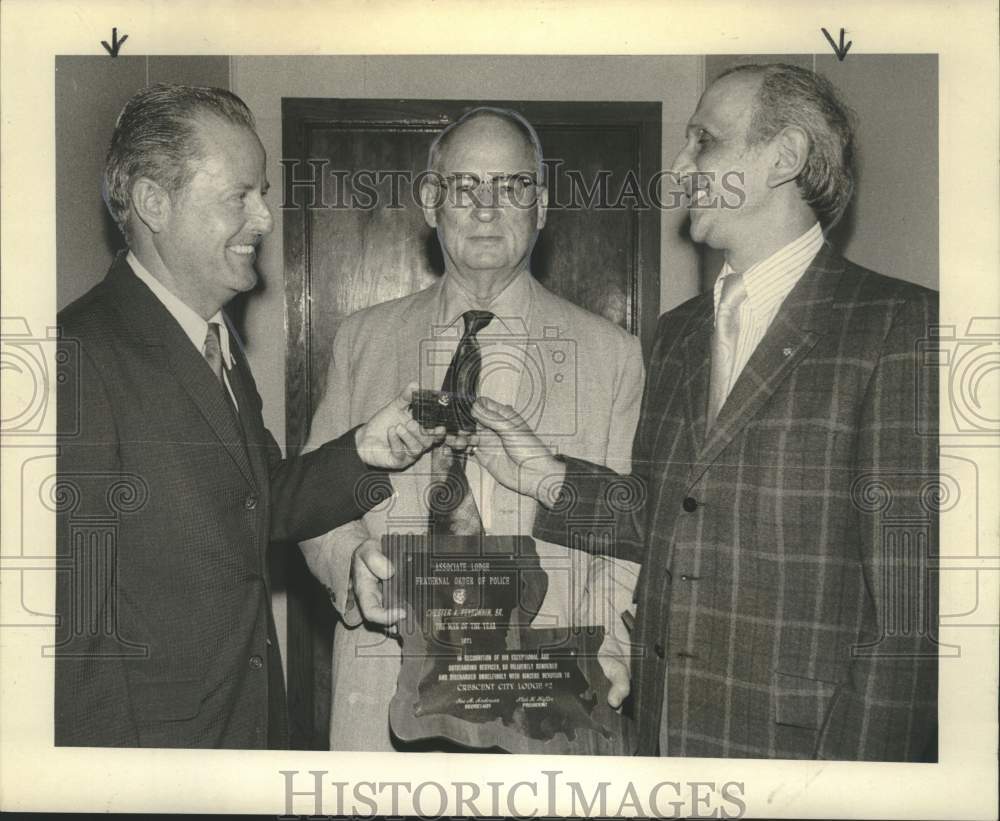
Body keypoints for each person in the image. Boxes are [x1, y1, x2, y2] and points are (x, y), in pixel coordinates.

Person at [465, 64, 940, 760]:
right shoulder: (680, 332)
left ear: (785, 158)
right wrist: (548, 478)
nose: (681, 167)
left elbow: (911, 615)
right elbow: (671, 518)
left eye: (705, 142)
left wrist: (856, 789)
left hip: (801, 760)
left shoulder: (899, 326)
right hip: (665, 745)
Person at [54, 84, 444, 749]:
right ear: (154, 203)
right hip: (158, 760)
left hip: (246, 731)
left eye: (261, 193)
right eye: (240, 196)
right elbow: (74, 632)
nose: (264, 219)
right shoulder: (78, 355)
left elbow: (260, 497)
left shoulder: (211, 339)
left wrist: (366, 449)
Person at [299, 107, 645, 751]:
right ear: (432, 202)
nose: (487, 209)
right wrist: (351, 564)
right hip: (385, 690)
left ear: (540, 206)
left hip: (548, 696)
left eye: (512, 187)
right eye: (465, 187)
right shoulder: (363, 340)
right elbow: (314, 499)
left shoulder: (613, 355)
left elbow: (624, 532)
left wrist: (612, 649)